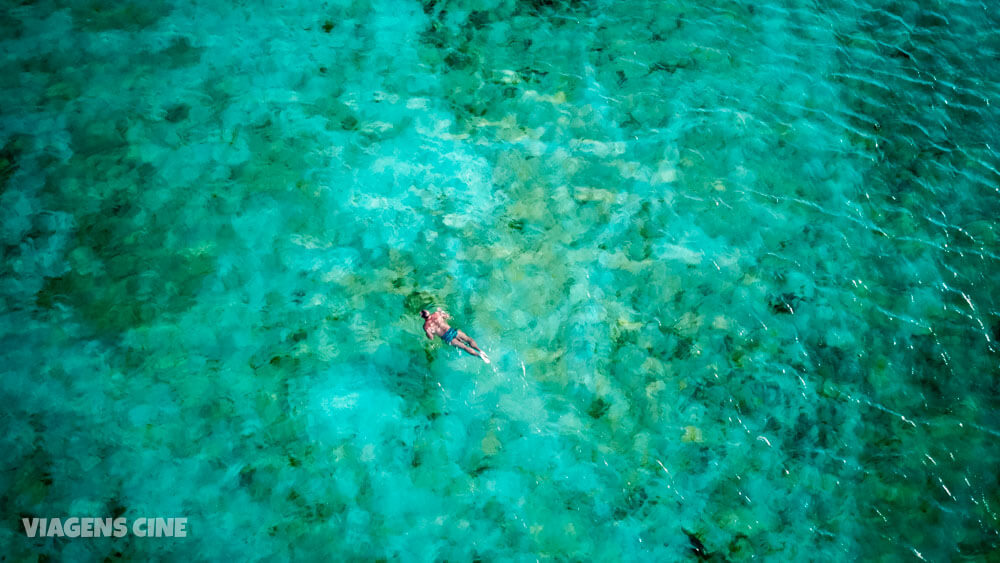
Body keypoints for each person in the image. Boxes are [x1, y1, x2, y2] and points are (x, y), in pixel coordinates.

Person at [420, 308, 489, 363]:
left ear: (423, 317)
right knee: (468, 339)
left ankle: (478, 355)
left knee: (464, 347)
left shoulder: (426, 326)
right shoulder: (437, 314)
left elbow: (431, 338)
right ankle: (479, 350)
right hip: (451, 330)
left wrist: (428, 333)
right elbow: (448, 316)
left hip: (447, 337)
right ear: (428, 312)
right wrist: (441, 311)